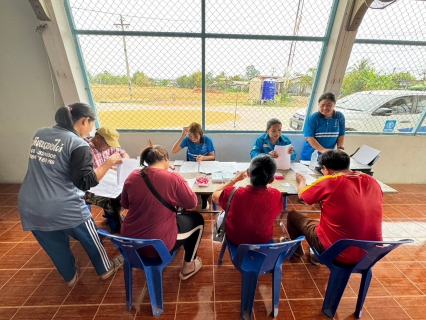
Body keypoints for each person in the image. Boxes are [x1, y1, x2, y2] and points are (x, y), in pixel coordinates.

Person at [18, 103, 124, 287]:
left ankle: (70, 276)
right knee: (91, 239)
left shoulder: (40, 133)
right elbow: (86, 182)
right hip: (64, 206)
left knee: (55, 245)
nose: (90, 131)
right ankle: (105, 269)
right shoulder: (78, 144)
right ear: (85, 120)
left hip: (30, 204)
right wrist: (109, 162)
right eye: (91, 125)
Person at [121, 145, 204, 280]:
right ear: (166, 159)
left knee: (171, 216)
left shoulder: (133, 175)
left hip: (130, 244)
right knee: (197, 219)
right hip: (156, 246)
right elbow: (191, 204)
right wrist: (185, 185)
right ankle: (189, 266)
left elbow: (125, 204)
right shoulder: (174, 178)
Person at [286, 150, 383, 265]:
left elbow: (303, 197)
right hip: (371, 254)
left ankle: (298, 251)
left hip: (337, 253)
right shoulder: (372, 181)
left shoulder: (330, 181)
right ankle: (315, 255)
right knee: (330, 223)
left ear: (325, 169)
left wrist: (302, 181)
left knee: (292, 216)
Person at [212, 154, 283, 245]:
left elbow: (214, 196)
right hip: (263, 241)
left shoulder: (234, 193)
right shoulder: (276, 194)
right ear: (272, 180)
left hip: (236, 238)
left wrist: (234, 179)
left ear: (248, 173)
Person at [84, 126, 129, 232]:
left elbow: (123, 153)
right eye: (108, 144)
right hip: (91, 188)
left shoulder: (107, 146)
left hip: (107, 182)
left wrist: (123, 161)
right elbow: (89, 178)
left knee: (126, 190)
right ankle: (117, 226)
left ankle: (117, 218)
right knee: (114, 201)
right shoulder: (85, 150)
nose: (109, 147)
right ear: (98, 138)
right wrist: (108, 164)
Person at [172, 122, 215, 210]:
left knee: (204, 180)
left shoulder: (207, 140)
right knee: (185, 181)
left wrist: (203, 158)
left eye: (195, 137)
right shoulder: (187, 139)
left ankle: (204, 198)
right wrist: (182, 136)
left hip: (203, 164)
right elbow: (174, 151)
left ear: (201, 134)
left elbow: (213, 157)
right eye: (191, 136)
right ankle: (185, 199)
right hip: (191, 165)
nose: (193, 139)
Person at [300, 92, 345, 161]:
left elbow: (341, 135)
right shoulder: (313, 118)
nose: (325, 108)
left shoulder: (339, 117)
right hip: (311, 155)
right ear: (318, 105)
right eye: (322, 105)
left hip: (328, 156)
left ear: (334, 105)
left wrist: (340, 149)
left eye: (329, 105)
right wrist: (323, 150)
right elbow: (309, 137)